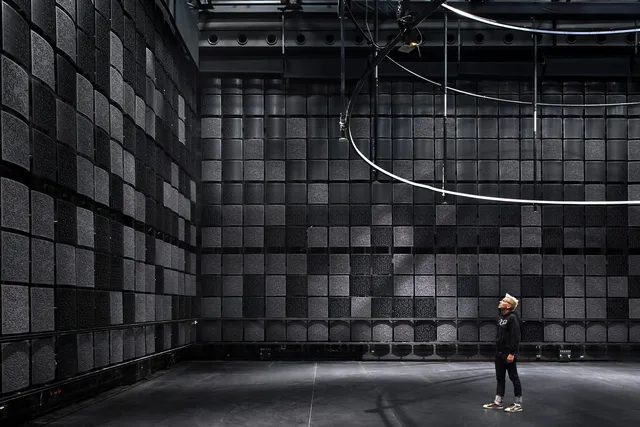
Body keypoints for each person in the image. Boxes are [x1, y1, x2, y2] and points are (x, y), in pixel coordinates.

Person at [483, 293, 522, 413]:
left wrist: (512, 353)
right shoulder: (500, 317)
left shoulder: (513, 317)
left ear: (509, 306)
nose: (500, 301)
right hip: (499, 353)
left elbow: (515, 336)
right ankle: (498, 402)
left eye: (504, 300)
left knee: (513, 377)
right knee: (500, 378)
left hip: (508, 353)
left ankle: (518, 404)